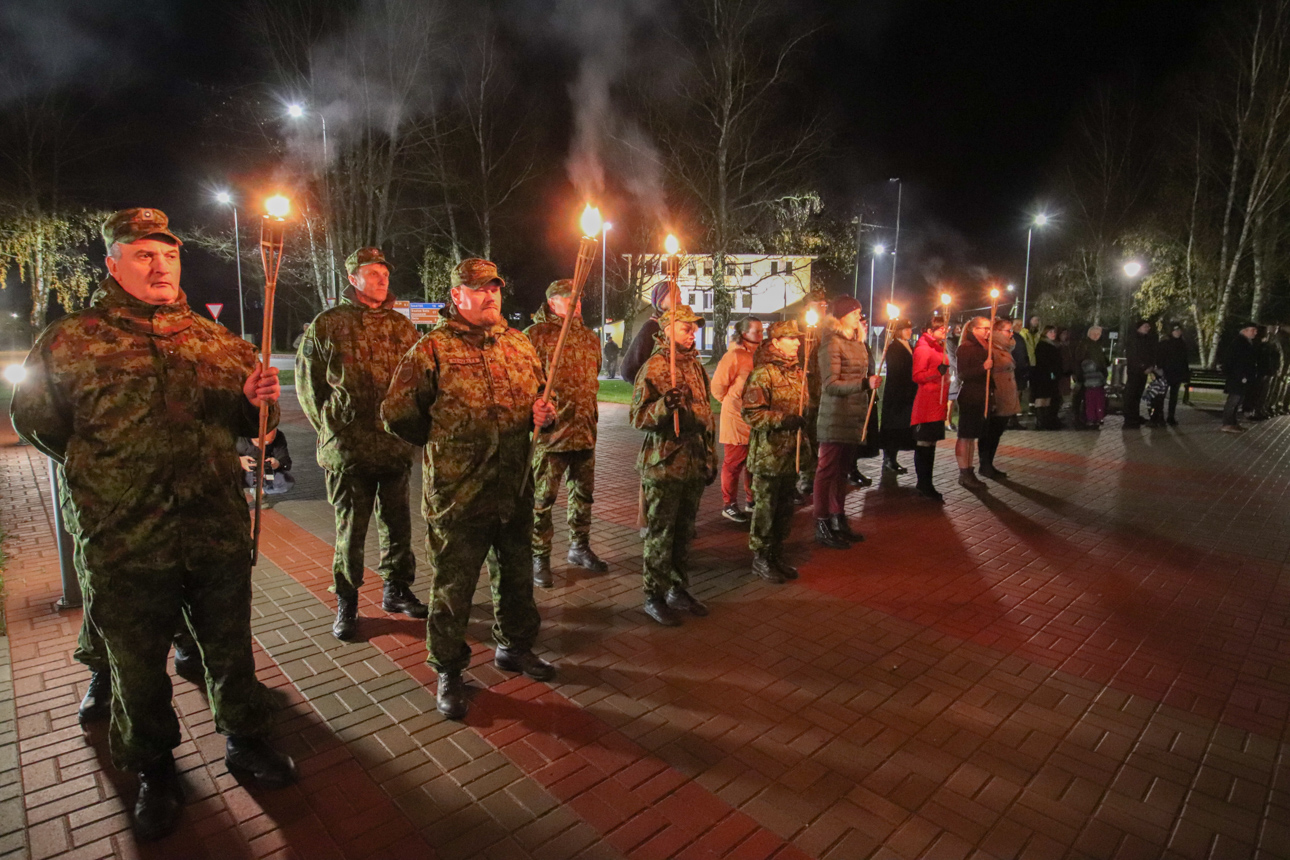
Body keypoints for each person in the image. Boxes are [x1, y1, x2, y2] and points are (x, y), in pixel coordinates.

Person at [11, 208, 296, 840]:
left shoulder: (217, 341)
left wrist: (261, 406)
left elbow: (254, 432)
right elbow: (35, 419)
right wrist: (105, 469)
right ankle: (155, 769)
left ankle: (244, 739)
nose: (159, 264)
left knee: (227, 645)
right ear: (113, 264)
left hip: (214, 526)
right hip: (126, 534)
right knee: (137, 662)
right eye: (142, 254)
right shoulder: (70, 339)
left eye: (167, 254)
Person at [382, 258, 558, 720]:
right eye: (478, 290)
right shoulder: (432, 350)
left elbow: (541, 400)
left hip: (514, 486)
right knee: (453, 587)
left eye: (494, 288)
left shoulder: (519, 345)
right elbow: (398, 413)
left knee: (517, 576)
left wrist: (544, 416)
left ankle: (515, 647)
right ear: (457, 296)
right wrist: (444, 441)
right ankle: (449, 670)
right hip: (459, 494)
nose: (490, 296)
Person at [297, 247, 426, 642]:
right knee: (350, 530)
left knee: (398, 525)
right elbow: (308, 387)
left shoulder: (403, 328)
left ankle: (397, 589)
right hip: (348, 451)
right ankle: (348, 601)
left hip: (392, 447)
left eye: (385, 271)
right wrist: (331, 430)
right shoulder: (329, 324)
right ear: (353, 279)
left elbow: (416, 385)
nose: (382, 277)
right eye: (372, 272)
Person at [628, 304, 717, 627]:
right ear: (666, 329)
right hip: (664, 464)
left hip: (692, 461)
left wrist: (710, 456)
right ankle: (654, 594)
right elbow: (638, 416)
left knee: (684, 532)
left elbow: (707, 416)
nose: (692, 332)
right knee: (661, 534)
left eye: (694, 328)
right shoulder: (654, 367)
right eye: (685, 327)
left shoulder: (695, 367)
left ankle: (678, 588)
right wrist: (665, 406)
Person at [524, 279, 608, 588]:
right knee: (542, 500)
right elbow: (524, 382)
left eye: (579, 298)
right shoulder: (535, 336)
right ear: (552, 303)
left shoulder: (589, 338)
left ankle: (579, 546)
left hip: (584, 430)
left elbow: (593, 376)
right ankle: (539, 555)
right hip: (551, 435)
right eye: (568, 298)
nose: (577, 303)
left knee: (583, 495)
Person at [742, 321, 811, 582]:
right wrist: (782, 420)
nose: (797, 343)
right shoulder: (763, 374)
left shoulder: (797, 373)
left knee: (784, 510)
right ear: (775, 343)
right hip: (769, 455)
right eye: (790, 338)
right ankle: (761, 558)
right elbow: (751, 414)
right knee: (766, 510)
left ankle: (776, 554)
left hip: (790, 455)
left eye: (798, 339)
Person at [814, 295, 878, 547]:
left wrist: (870, 381)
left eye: (859, 312)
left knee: (843, 471)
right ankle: (821, 522)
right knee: (826, 471)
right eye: (853, 313)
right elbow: (830, 385)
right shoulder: (831, 342)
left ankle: (838, 516)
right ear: (841, 316)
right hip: (835, 416)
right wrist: (864, 383)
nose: (858, 317)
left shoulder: (858, 341)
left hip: (854, 415)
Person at [710, 316, 762, 522]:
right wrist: (732, 403)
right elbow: (718, 387)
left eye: (761, 331)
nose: (760, 335)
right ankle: (729, 503)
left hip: (755, 418)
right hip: (736, 418)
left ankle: (752, 500)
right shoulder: (734, 356)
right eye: (756, 331)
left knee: (753, 462)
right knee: (733, 463)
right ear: (743, 333)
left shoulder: (760, 355)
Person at [909, 315, 951, 501]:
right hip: (927, 402)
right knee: (924, 443)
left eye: (945, 328)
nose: (945, 331)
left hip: (937, 401)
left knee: (931, 443)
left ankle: (927, 481)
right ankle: (924, 483)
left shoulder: (938, 347)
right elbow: (917, 375)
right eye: (941, 328)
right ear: (930, 330)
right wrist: (936, 373)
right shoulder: (924, 348)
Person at [796, 290, 830, 503]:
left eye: (826, 304)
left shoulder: (824, 332)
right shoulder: (798, 332)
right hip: (802, 394)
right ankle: (800, 476)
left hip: (820, 392)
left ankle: (812, 476)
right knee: (801, 438)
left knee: (816, 436)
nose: (824, 307)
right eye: (820, 304)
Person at [954, 316, 993, 488]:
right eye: (984, 328)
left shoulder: (986, 346)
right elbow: (963, 374)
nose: (988, 332)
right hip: (970, 396)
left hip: (981, 395)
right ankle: (964, 472)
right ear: (974, 329)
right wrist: (983, 368)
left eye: (989, 328)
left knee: (971, 437)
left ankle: (969, 470)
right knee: (966, 436)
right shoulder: (966, 347)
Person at [980, 317, 1019, 479]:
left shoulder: (1005, 347)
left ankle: (990, 463)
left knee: (997, 432)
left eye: (1011, 331)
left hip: (1007, 394)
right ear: (997, 332)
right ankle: (985, 464)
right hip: (997, 395)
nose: (1011, 334)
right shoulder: (990, 348)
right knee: (990, 431)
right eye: (1007, 330)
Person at [879, 318, 916, 475]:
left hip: (908, 392)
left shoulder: (910, 345)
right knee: (893, 426)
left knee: (902, 426)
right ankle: (889, 459)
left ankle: (893, 458)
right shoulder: (893, 346)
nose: (910, 331)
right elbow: (896, 369)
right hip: (897, 392)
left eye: (910, 329)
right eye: (906, 329)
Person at [620, 280, 673, 383]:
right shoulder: (652, 328)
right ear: (661, 301)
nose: (679, 299)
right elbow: (629, 369)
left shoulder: (680, 328)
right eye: (674, 295)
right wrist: (648, 388)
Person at [1220, 322, 1260, 433]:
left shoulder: (1246, 342)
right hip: (1238, 378)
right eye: (1253, 330)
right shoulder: (1239, 343)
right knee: (1233, 401)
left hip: (1243, 377)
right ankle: (1227, 423)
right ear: (1245, 330)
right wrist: (1239, 375)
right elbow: (1231, 361)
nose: (1255, 332)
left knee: (1238, 401)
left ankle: (1233, 423)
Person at [237, 428, 294, 496]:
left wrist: (278, 464)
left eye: (266, 445)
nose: (260, 447)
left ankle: (258, 492)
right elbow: (221, 456)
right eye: (257, 443)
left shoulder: (278, 436)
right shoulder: (236, 436)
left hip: (263, 472)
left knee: (287, 482)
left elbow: (286, 462)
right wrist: (238, 460)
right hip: (239, 471)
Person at [1123, 319, 1158, 429]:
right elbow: (1133, 356)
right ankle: (1129, 419)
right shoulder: (1133, 339)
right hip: (1135, 372)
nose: (1147, 328)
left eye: (1148, 326)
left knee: (1137, 395)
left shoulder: (1148, 339)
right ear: (1139, 327)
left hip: (1144, 372)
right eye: (1145, 326)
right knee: (1131, 395)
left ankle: (1135, 416)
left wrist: (1151, 366)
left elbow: (1152, 354)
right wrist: (1143, 367)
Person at [1158, 323, 1190, 426]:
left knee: (1174, 396)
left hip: (1177, 373)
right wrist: (1160, 368)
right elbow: (1160, 357)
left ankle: (1171, 416)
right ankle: (1159, 416)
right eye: (1176, 330)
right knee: (1162, 395)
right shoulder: (1165, 343)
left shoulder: (1182, 344)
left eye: (1179, 330)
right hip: (1167, 373)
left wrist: (1185, 374)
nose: (1178, 332)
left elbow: (1184, 360)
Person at [1032, 325, 1063, 430]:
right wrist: (1051, 370)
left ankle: (1046, 421)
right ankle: (1040, 422)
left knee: (1048, 398)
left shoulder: (1053, 345)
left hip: (1050, 376)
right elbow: (1044, 361)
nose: (1053, 334)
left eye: (1054, 332)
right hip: (1042, 376)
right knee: (1041, 398)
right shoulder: (1042, 345)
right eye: (1050, 332)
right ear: (1045, 333)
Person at [1078, 326, 1109, 427]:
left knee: (1097, 398)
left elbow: (1102, 360)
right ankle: (1088, 418)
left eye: (1098, 334)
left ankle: (1095, 417)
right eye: (1094, 334)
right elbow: (1079, 361)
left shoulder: (1098, 345)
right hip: (1088, 375)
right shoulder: (1085, 345)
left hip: (1097, 376)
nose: (1096, 336)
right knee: (1088, 398)